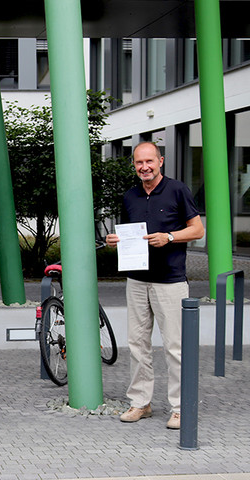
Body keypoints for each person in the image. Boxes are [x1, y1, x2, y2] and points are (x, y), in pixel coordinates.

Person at [105, 142, 204, 430]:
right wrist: (115, 240)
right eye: (139, 163)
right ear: (134, 165)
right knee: (137, 344)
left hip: (170, 282)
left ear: (160, 161)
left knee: (175, 346)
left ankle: (180, 407)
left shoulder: (177, 190)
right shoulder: (130, 196)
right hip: (136, 280)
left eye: (149, 161)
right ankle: (141, 403)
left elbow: (197, 230)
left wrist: (170, 237)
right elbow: (128, 235)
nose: (144, 167)